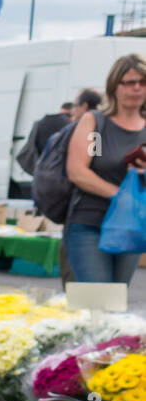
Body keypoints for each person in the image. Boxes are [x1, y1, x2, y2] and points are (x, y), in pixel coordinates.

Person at [65, 53, 146, 284]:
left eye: (143, 82)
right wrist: (121, 195)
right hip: (90, 223)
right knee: (96, 299)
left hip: (131, 226)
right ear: (114, 86)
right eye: (130, 82)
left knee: (117, 300)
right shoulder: (97, 123)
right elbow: (80, 170)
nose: (137, 88)